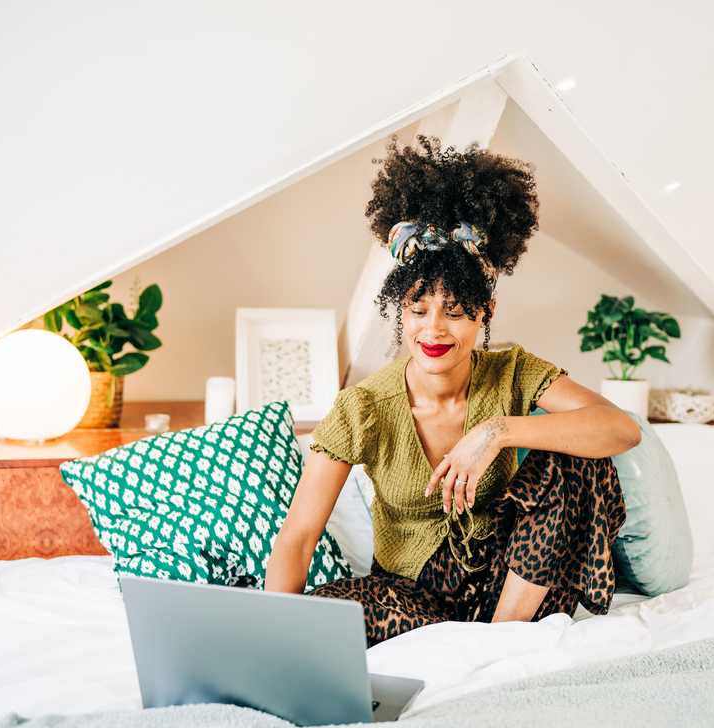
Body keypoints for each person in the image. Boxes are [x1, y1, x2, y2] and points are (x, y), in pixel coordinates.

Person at [264, 134, 640, 647]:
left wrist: (497, 431)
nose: (434, 330)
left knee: (575, 453)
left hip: (516, 586)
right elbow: (299, 535)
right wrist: (275, 634)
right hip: (411, 597)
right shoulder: (363, 407)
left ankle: (500, 643)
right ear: (401, 310)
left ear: (486, 312)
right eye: (418, 310)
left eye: (456, 311)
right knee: (315, 619)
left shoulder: (513, 372)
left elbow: (621, 429)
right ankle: (467, 640)